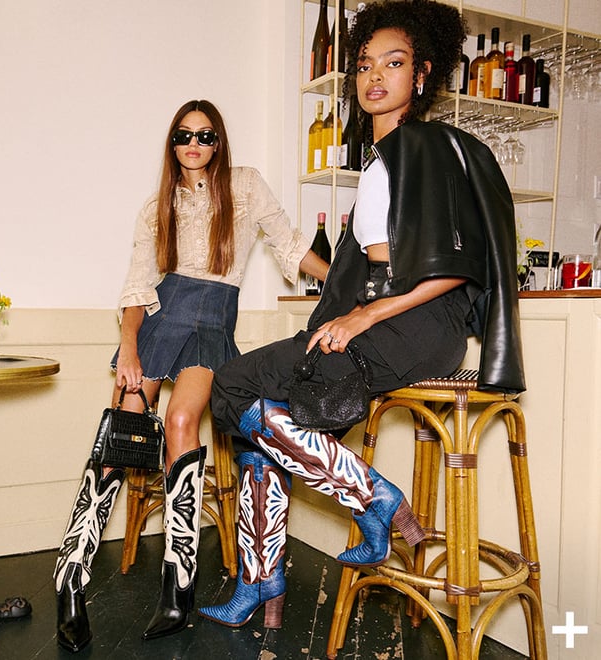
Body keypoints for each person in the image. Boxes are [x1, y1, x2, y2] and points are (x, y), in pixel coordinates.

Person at [198, 0, 524, 630]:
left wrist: (364, 317)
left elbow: (457, 267)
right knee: (258, 420)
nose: (375, 76)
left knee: (233, 384)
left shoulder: (424, 145)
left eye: (394, 63)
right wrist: (346, 310)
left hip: (414, 326)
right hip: (388, 322)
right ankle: (261, 586)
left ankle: (375, 498)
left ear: (422, 74)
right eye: (366, 64)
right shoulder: (383, 157)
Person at [52, 99, 329, 652]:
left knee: (182, 421)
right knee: (121, 438)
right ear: (172, 143)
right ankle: (71, 583)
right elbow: (138, 286)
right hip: (159, 321)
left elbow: (290, 243)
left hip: (211, 325)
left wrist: (348, 285)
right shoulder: (157, 206)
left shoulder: (245, 186)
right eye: (183, 136)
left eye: (205, 135)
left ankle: (177, 588)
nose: (194, 145)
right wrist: (128, 350)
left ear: (218, 141)